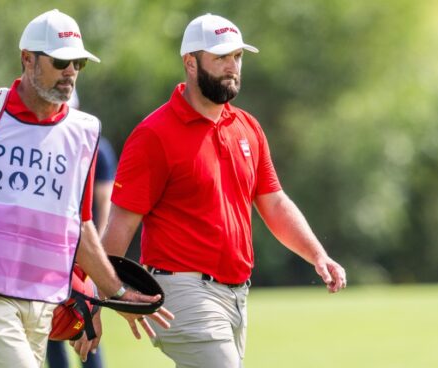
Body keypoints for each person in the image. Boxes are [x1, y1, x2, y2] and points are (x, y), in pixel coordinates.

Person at [101, 13, 347, 367]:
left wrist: (317, 254)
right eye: (221, 57)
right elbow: (120, 224)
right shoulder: (154, 134)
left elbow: (274, 203)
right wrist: (108, 295)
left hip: (236, 295)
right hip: (182, 293)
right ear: (190, 62)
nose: (233, 66)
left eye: (237, 57)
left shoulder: (247, 127)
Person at [0, 9, 172, 368]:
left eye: (78, 64)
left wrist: (114, 291)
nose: (70, 71)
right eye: (61, 62)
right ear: (28, 59)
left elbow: (81, 225)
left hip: (42, 301)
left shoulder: (84, 132)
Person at [46, 91, 117, 368]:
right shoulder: (44, 143)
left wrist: (95, 261)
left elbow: (104, 205)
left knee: (85, 324)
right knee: (52, 331)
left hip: (82, 253)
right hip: (50, 253)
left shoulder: (97, 147)